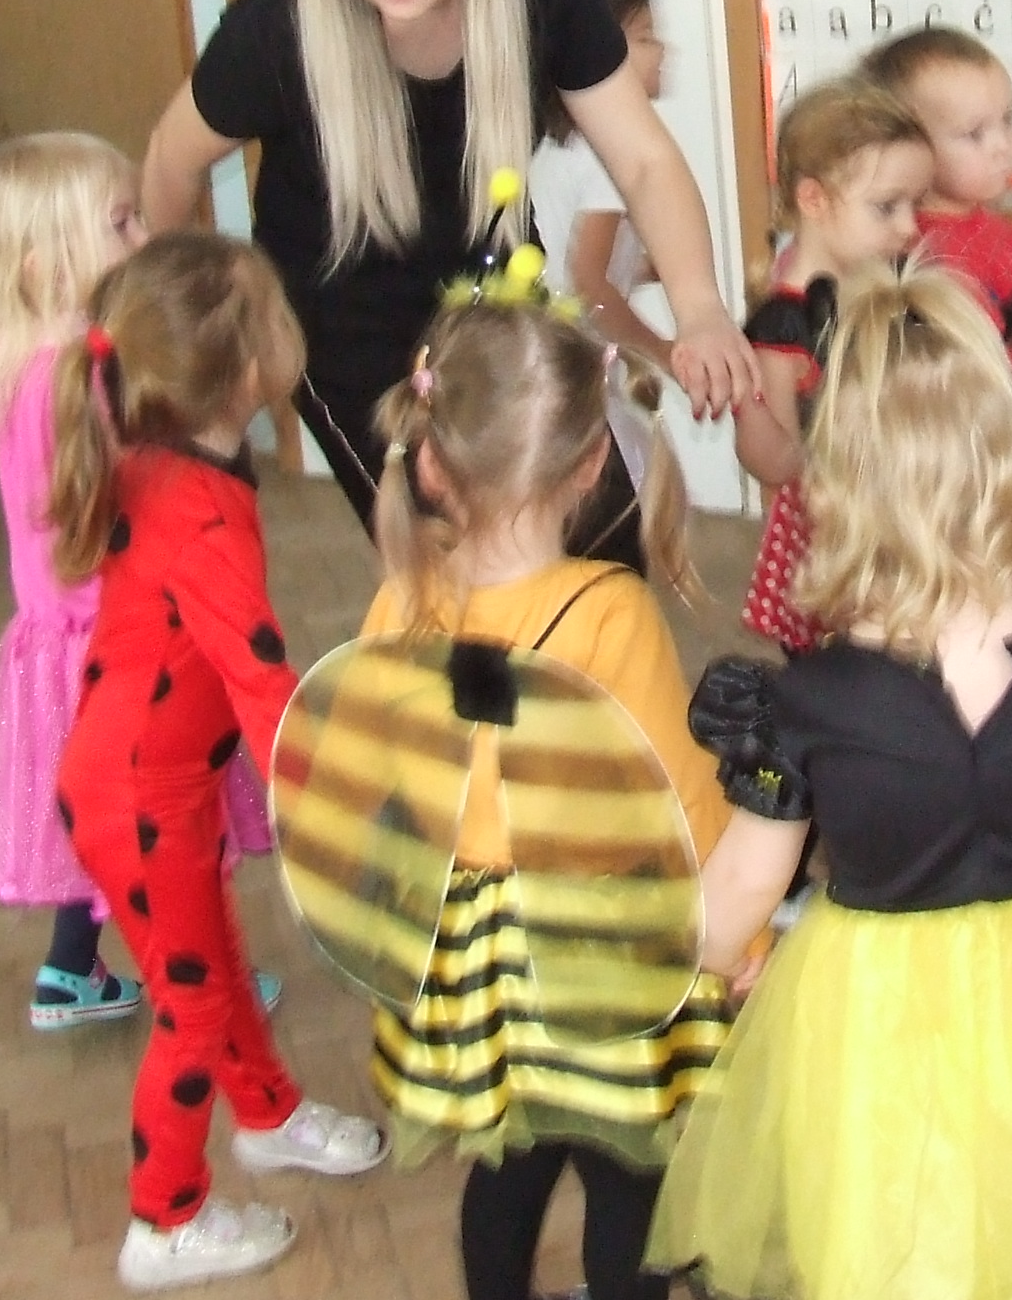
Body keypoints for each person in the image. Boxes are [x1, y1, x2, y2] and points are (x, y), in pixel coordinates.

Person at [650, 265, 1012, 1300]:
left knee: (906, 1254)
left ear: (834, 494)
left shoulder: (804, 705)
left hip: (884, 1047)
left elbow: (732, 902)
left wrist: (706, 946)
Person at [140, 0, 757, 551]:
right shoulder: (277, 26)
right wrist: (171, 331)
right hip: (340, 318)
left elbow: (643, 158)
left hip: (494, 286)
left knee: (596, 525)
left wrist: (699, 308)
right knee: (462, 560)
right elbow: (169, 161)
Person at [339, 296, 731, 1300]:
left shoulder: (401, 594)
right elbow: (676, 800)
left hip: (470, 947)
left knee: (511, 1159)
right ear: (594, 465)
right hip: (600, 947)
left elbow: (381, 769)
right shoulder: (611, 611)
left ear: (431, 464)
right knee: (629, 1173)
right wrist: (740, 931)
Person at [45, 233, 385, 1290]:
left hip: (150, 782)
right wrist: (333, 807)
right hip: (138, 796)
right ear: (243, 371)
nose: (293, 327)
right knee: (190, 1005)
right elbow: (260, 678)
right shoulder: (198, 510)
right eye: (278, 315)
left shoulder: (172, 459)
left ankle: (269, 1115)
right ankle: (165, 1220)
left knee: (214, 965)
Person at [0, 134, 277, 1031]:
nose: (143, 239)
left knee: (98, 823)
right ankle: (206, 984)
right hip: (121, 647)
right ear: (43, 266)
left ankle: (70, 971)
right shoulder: (79, 378)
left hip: (63, 646)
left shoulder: (18, 364)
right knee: (170, 824)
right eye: (121, 223)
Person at [733, 77, 930, 650]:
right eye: (887, 207)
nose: (910, 227)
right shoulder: (784, 325)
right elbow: (776, 464)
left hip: (900, 512)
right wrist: (745, 399)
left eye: (916, 205)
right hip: (835, 540)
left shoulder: (886, 289)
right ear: (814, 200)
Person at [528, 0, 674, 370]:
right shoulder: (606, 153)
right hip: (579, 359)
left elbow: (572, 259)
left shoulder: (569, 142)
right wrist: (660, 351)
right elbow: (589, 285)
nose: (662, 51)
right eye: (645, 38)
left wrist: (650, 268)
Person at [860, 26, 1012, 324]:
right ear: (909, 145)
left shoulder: (997, 229)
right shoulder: (917, 256)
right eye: (974, 134)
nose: (1003, 146)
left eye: (1007, 119)